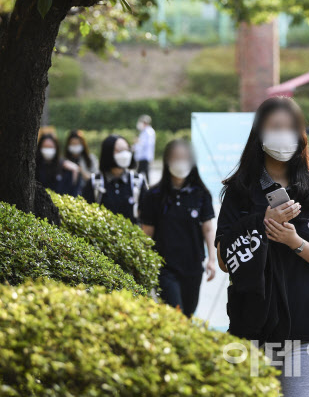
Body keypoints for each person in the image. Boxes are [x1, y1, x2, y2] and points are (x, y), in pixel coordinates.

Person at [215, 96, 309, 397]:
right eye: (275, 127)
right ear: (259, 134)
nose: (283, 135)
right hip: (253, 328)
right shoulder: (239, 191)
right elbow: (223, 259)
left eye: (290, 127)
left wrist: (294, 242)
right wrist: (262, 225)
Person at [140, 139, 216, 317]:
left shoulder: (201, 194)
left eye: (184, 157)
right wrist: (143, 263)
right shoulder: (154, 195)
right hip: (165, 267)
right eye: (176, 157)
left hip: (193, 265)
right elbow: (146, 233)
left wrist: (212, 259)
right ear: (167, 161)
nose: (180, 161)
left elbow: (208, 228)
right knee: (176, 314)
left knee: (187, 314)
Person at [82, 134, 147, 223]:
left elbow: (146, 216)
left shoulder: (138, 181)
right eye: (120, 150)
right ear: (108, 152)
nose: (125, 154)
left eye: (127, 149)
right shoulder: (95, 182)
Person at [134, 114, 155, 182]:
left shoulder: (148, 132)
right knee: (144, 173)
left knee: (141, 173)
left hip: (145, 157)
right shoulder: (144, 132)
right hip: (142, 157)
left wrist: (138, 142)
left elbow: (145, 145)